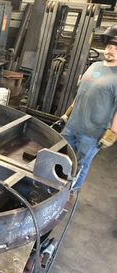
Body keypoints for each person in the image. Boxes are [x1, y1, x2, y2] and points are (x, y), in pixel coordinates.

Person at [59, 24, 117, 189]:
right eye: (109, 46)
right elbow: (82, 92)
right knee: (61, 157)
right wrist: (68, 112)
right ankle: (55, 188)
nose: (110, 50)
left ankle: (69, 193)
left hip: (92, 134)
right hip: (72, 126)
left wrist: (113, 133)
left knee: (80, 166)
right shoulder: (94, 66)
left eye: (116, 48)